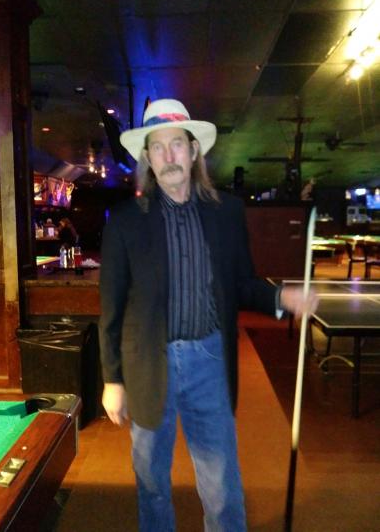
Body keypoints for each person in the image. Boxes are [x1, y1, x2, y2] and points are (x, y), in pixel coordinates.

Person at [99, 99, 318, 532]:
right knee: (152, 484)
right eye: (157, 147)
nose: (168, 156)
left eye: (176, 144)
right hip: (148, 364)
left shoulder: (226, 213)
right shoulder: (125, 221)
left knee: (222, 487)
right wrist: (112, 380)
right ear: (147, 158)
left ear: (194, 150)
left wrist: (282, 297)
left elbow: (242, 284)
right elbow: (112, 306)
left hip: (209, 361)